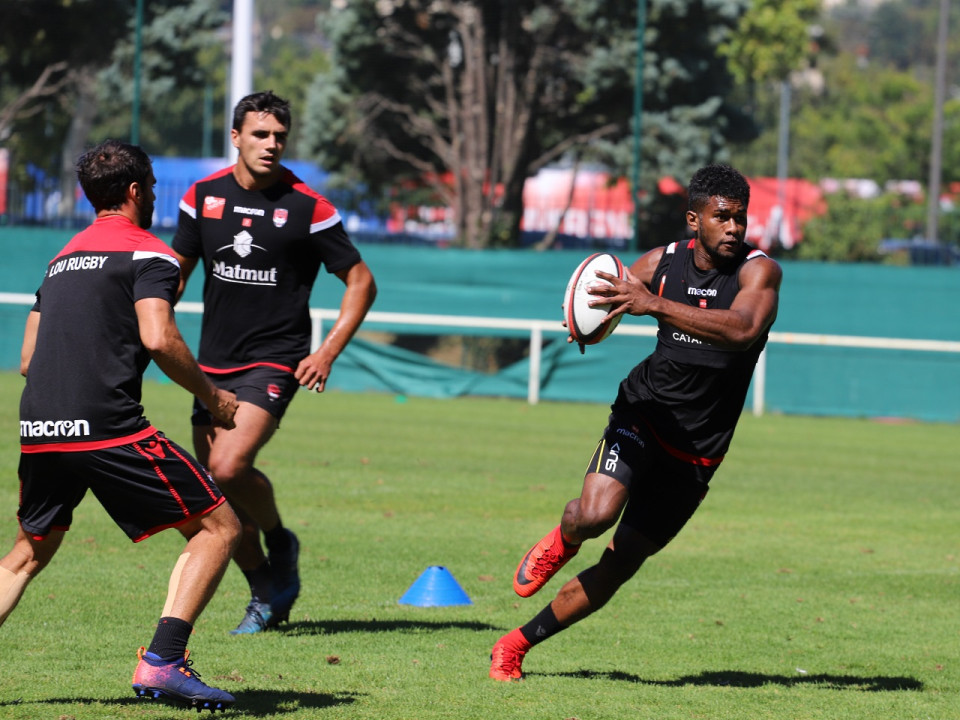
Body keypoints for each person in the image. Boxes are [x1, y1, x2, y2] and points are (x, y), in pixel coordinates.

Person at [490, 163, 782, 681]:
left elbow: (741, 329)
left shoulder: (758, 272)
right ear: (695, 220)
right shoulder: (663, 262)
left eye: (740, 218)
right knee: (595, 515)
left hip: (698, 451)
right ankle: (565, 536)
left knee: (621, 563)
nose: (734, 228)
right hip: (644, 413)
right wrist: (586, 317)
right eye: (722, 218)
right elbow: (608, 291)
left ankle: (514, 645)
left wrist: (654, 304)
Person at [0, 139, 242, 711]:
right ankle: (162, 662)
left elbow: (29, 358)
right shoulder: (149, 254)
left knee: (24, 556)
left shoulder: (61, 260)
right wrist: (212, 397)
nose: (154, 198)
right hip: (108, 427)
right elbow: (159, 337)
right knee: (220, 528)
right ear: (135, 191)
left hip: (40, 427)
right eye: (153, 188)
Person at [172, 90, 377, 634]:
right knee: (215, 498)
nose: (271, 144)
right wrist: (147, 325)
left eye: (279, 136)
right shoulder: (201, 197)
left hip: (274, 361)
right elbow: (175, 274)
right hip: (209, 364)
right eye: (260, 134)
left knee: (227, 468)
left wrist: (327, 351)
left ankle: (281, 541)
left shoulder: (309, 207)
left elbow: (361, 281)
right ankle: (265, 585)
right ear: (235, 137)